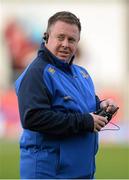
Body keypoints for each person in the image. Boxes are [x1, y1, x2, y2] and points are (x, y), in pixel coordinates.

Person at [15, 11, 118, 179]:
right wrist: (86, 121)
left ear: (78, 43)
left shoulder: (81, 73)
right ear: (46, 37)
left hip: (80, 171)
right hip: (48, 173)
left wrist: (102, 106)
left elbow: (84, 106)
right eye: (60, 37)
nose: (65, 44)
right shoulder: (37, 72)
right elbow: (33, 118)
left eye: (71, 40)